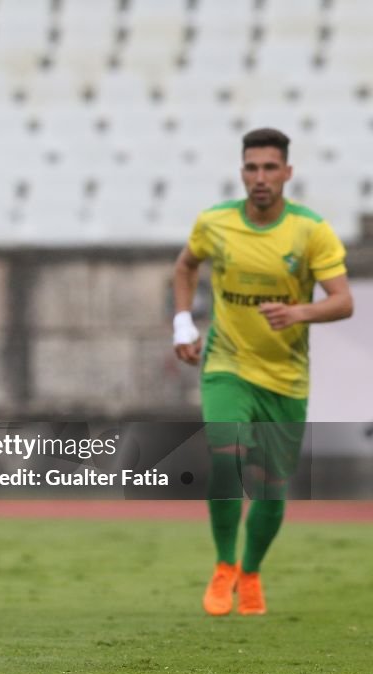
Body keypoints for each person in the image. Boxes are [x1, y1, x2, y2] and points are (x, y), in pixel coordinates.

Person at [172, 128, 353, 616]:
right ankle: (224, 565)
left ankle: (250, 573)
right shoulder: (215, 223)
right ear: (242, 172)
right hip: (226, 363)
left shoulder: (310, 231)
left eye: (270, 168)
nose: (260, 177)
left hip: (286, 377)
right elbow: (185, 267)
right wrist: (183, 323)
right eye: (251, 168)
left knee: (272, 486)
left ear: (287, 173)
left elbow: (343, 302)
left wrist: (299, 312)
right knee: (225, 457)